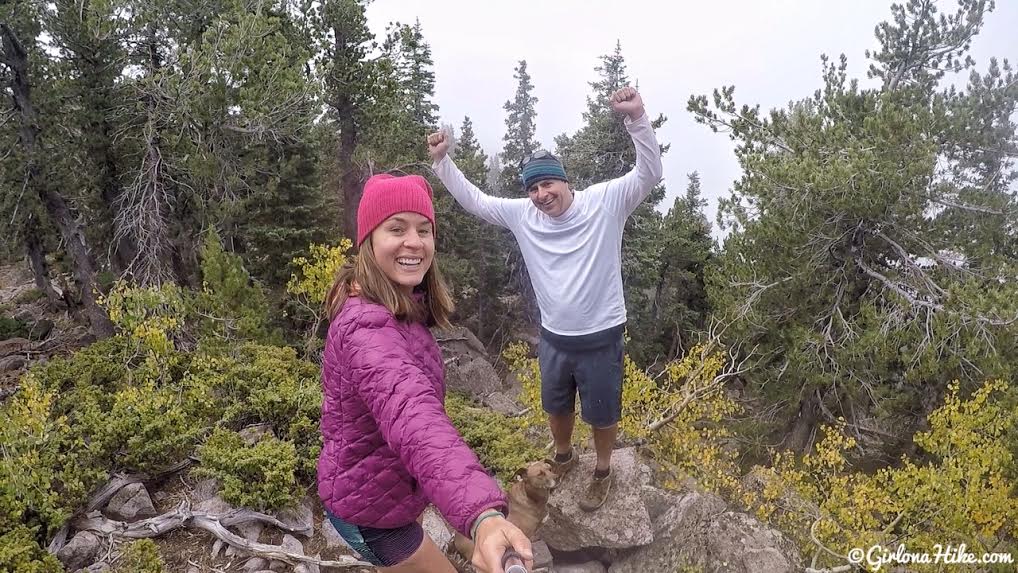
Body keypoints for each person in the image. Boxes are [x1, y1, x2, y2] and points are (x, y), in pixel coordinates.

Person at [427, 86, 663, 511]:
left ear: (564, 180)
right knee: (556, 405)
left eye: (548, 183)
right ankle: (564, 455)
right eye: (533, 188)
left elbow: (648, 173)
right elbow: (477, 201)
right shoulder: (524, 215)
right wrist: (442, 162)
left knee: (603, 412)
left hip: (602, 334)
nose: (540, 195)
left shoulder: (605, 203)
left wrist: (637, 118)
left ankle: (604, 469)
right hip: (554, 336)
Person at [317, 173, 533, 573]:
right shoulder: (367, 327)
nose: (414, 241)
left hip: (386, 495)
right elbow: (413, 416)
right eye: (396, 228)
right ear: (368, 240)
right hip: (371, 514)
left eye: (424, 229)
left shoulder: (398, 307)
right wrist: (483, 516)